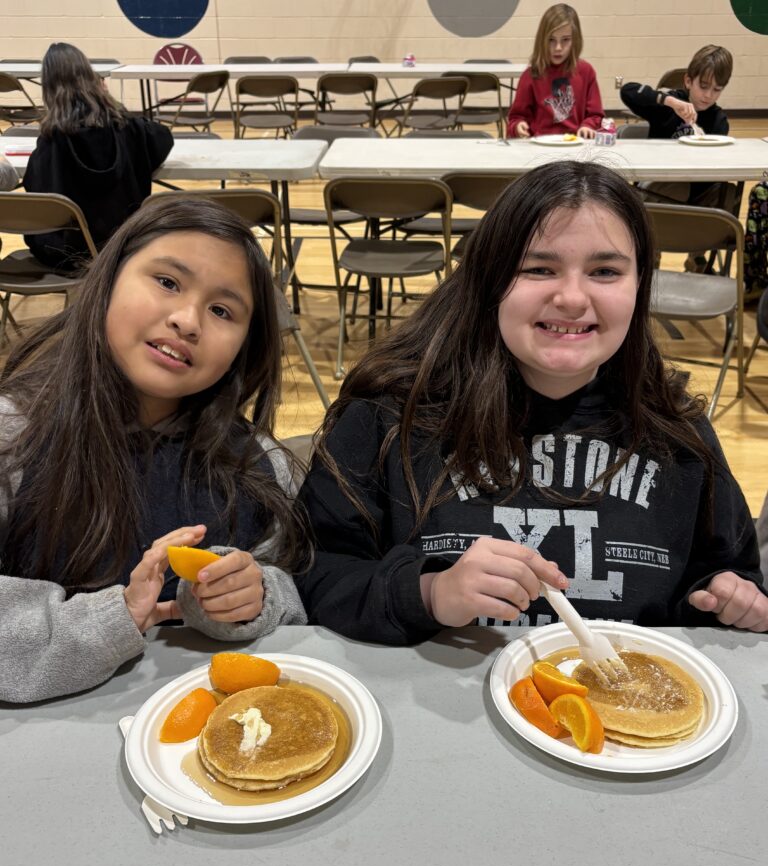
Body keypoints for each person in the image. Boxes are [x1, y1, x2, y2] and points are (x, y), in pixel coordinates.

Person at [297, 161, 768, 645]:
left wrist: (727, 597)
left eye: (605, 271)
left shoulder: (680, 433)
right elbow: (316, 573)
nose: (572, 298)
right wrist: (430, 592)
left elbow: (723, 573)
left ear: (639, 285)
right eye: (539, 269)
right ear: (490, 279)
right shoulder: (390, 415)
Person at [0, 195, 307, 703]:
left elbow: (298, 590)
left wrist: (253, 598)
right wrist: (113, 617)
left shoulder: (258, 462)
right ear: (109, 279)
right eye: (167, 282)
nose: (188, 320)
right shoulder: (14, 436)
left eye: (222, 310)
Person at [22, 41, 173, 269]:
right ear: (91, 79)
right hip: (123, 248)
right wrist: (112, 103)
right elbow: (163, 138)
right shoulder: (125, 127)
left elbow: (34, 186)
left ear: (48, 88)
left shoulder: (51, 140)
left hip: (67, 255)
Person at [620, 45, 734, 209]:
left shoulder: (719, 120)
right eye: (703, 86)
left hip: (696, 190)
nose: (709, 95)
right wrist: (669, 101)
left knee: (727, 192)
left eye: (717, 90)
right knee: (677, 188)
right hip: (661, 182)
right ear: (688, 81)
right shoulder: (668, 106)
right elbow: (627, 91)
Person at [506, 4, 603, 140]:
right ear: (542, 40)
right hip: (539, 146)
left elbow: (595, 115)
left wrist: (588, 126)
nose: (558, 47)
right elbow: (516, 118)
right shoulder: (530, 75)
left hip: (575, 145)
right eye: (551, 40)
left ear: (575, 40)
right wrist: (518, 126)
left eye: (565, 40)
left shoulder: (586, 72)